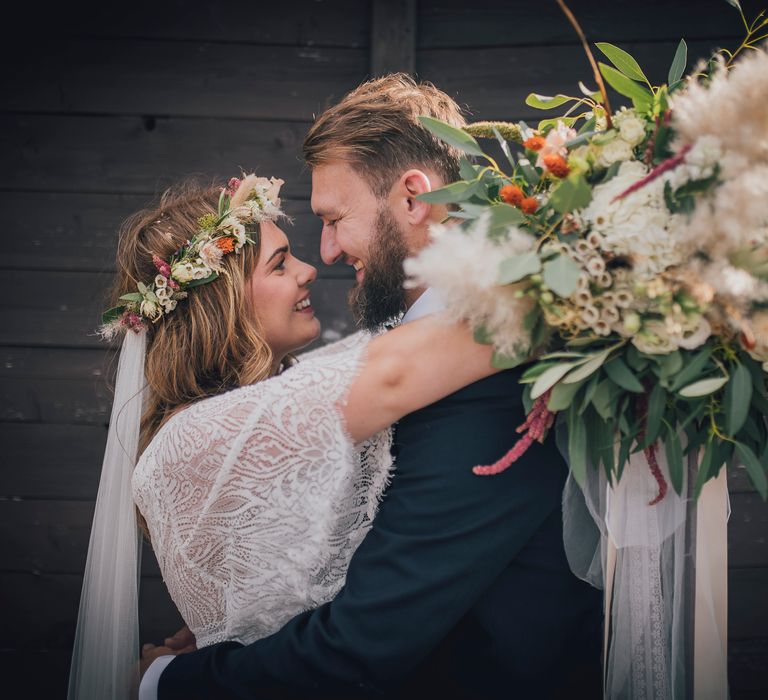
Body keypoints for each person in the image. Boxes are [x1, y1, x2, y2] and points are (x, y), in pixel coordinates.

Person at [143, 75, 602, 699]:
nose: (323, 254)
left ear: (413, 199)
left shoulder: (490, 378)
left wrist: (164, 682)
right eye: (285, 258)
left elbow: (367, 639)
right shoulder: (402, 357)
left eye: (334, 220)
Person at [68, 171, 502, 699]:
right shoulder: (195, 438)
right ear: (221, 306)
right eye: (279, 264)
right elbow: (392, 368)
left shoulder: (265, 403)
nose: (310, 270)